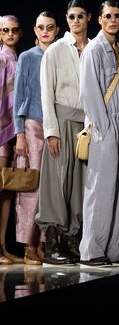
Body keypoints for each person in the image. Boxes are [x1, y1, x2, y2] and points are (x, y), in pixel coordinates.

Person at [37, 0, 92, 265]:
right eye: (71, 17)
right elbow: (46, 93)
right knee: (56, 183)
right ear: (67, 20)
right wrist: (51, 131)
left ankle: (71, 240)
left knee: (80, 185)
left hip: (86, 124)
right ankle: (52, 244)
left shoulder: (93, 48)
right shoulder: (56, 50)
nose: (76, 21)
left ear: (88, 18)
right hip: (61, 121)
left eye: (80, 16)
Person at [78, 0, 119, 267]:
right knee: (99, 189)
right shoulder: (93, 49)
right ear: (99, 19)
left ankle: (113, 248)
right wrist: (103, 128)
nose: (112, 20)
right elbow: (88, 91)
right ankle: (91, 250)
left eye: (117, 16)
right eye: (108, 16)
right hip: (104, 127)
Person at [12, 12, 59, 265]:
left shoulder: (61, 55)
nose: (45, 31)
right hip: (33, 125)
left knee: (52, 188)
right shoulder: (28, 57)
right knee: (32, 185)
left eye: (50, 27)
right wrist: (19, 133)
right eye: (41, 27)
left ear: (57, 30)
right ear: (34, 30)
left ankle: (43, 243)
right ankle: (28, 244)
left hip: (56, 126)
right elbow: (18, 95)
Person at [0, 15, 22, 265]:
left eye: (14, 30)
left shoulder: (17, 58)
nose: (10, 34)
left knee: (7, 191)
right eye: (5, 30)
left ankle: (3, 246)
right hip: (2, 132)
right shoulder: (2, 58)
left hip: (13, 131)